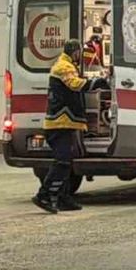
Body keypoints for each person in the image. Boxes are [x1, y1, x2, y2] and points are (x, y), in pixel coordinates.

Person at [32, 38, 109, 213]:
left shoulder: (66, 65)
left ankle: (62, 197)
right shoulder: (63, 67)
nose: (80, 55)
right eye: (79, 52)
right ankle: (44, 195)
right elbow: (75, 85)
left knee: (67, 161)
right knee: (62, 162)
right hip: (59, 123)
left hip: (65, 123)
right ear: (74, 52)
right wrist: (98, 82)